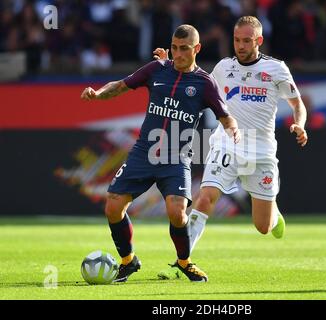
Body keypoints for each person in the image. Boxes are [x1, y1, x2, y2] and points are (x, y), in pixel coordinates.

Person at [80, 24, 240, 283]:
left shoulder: (204, 83)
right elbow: (121, 85)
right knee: (113, 207)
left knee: (177, 212)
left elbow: (226, 116)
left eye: (184, 49)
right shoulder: (157, 69)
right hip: (144, 151)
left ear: (196, 49)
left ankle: (185, 262)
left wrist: (234, 131)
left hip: (176, 157)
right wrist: (98, 94)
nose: (178, 54)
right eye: (174, 48)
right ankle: (128, 261)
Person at [154, 16, 308, 280]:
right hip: (227, 142)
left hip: (261, 151)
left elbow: (297, 105)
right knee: (204, 198)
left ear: (258, 41)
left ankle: (274, 213)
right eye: (237, 40)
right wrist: (167, 64)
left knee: (263, 226)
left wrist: (300, 125)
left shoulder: (276, 69)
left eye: (247, 41)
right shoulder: (224, 67)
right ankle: (182, 262)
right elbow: (197, 81)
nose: (240, 45)